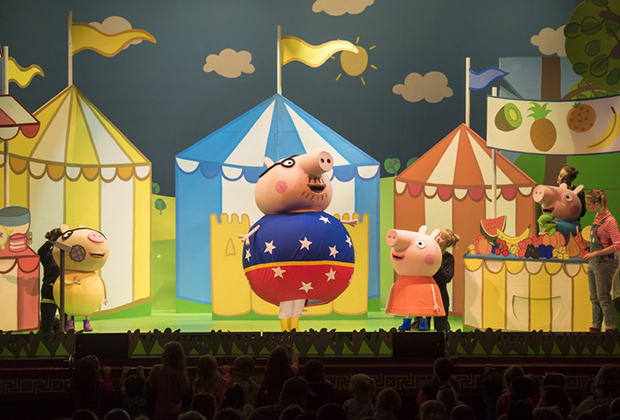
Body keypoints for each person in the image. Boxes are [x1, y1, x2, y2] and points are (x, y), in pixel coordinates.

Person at [408, 229, 459, 332]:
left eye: (442, 238)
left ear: (448, 243)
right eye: (438, 235)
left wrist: (436, 262)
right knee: (420, 325)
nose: (438, 238)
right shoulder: (425, 253)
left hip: (440, 294)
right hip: (424, 293)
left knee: (441, 326)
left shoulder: (449, 258)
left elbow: (447, 278)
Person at [583, 189, 620, 332]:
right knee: (594, 298)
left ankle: (610, 327)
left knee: (603, 297)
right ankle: (595, 326)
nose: (588, 207)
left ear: (597, 204)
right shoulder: (597, 217)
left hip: (604, 263)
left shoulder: (610, 221)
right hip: (594, 262)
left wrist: (596, 252)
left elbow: (617, 245)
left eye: (589, 204)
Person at [145, 340, 191, 420]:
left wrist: (142, 374)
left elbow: (148, 385)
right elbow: (186, 389)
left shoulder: (157, 369)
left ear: (165, 354)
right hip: (177, 412)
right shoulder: (181, 373)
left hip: (161, 411)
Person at [38, 227, 62, 333]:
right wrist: (51, 241)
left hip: (65, 291)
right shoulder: (48, 254)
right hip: (49, 289)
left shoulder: (67, 255)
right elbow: (40, 252)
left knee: (67, 326)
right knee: (46, 327)